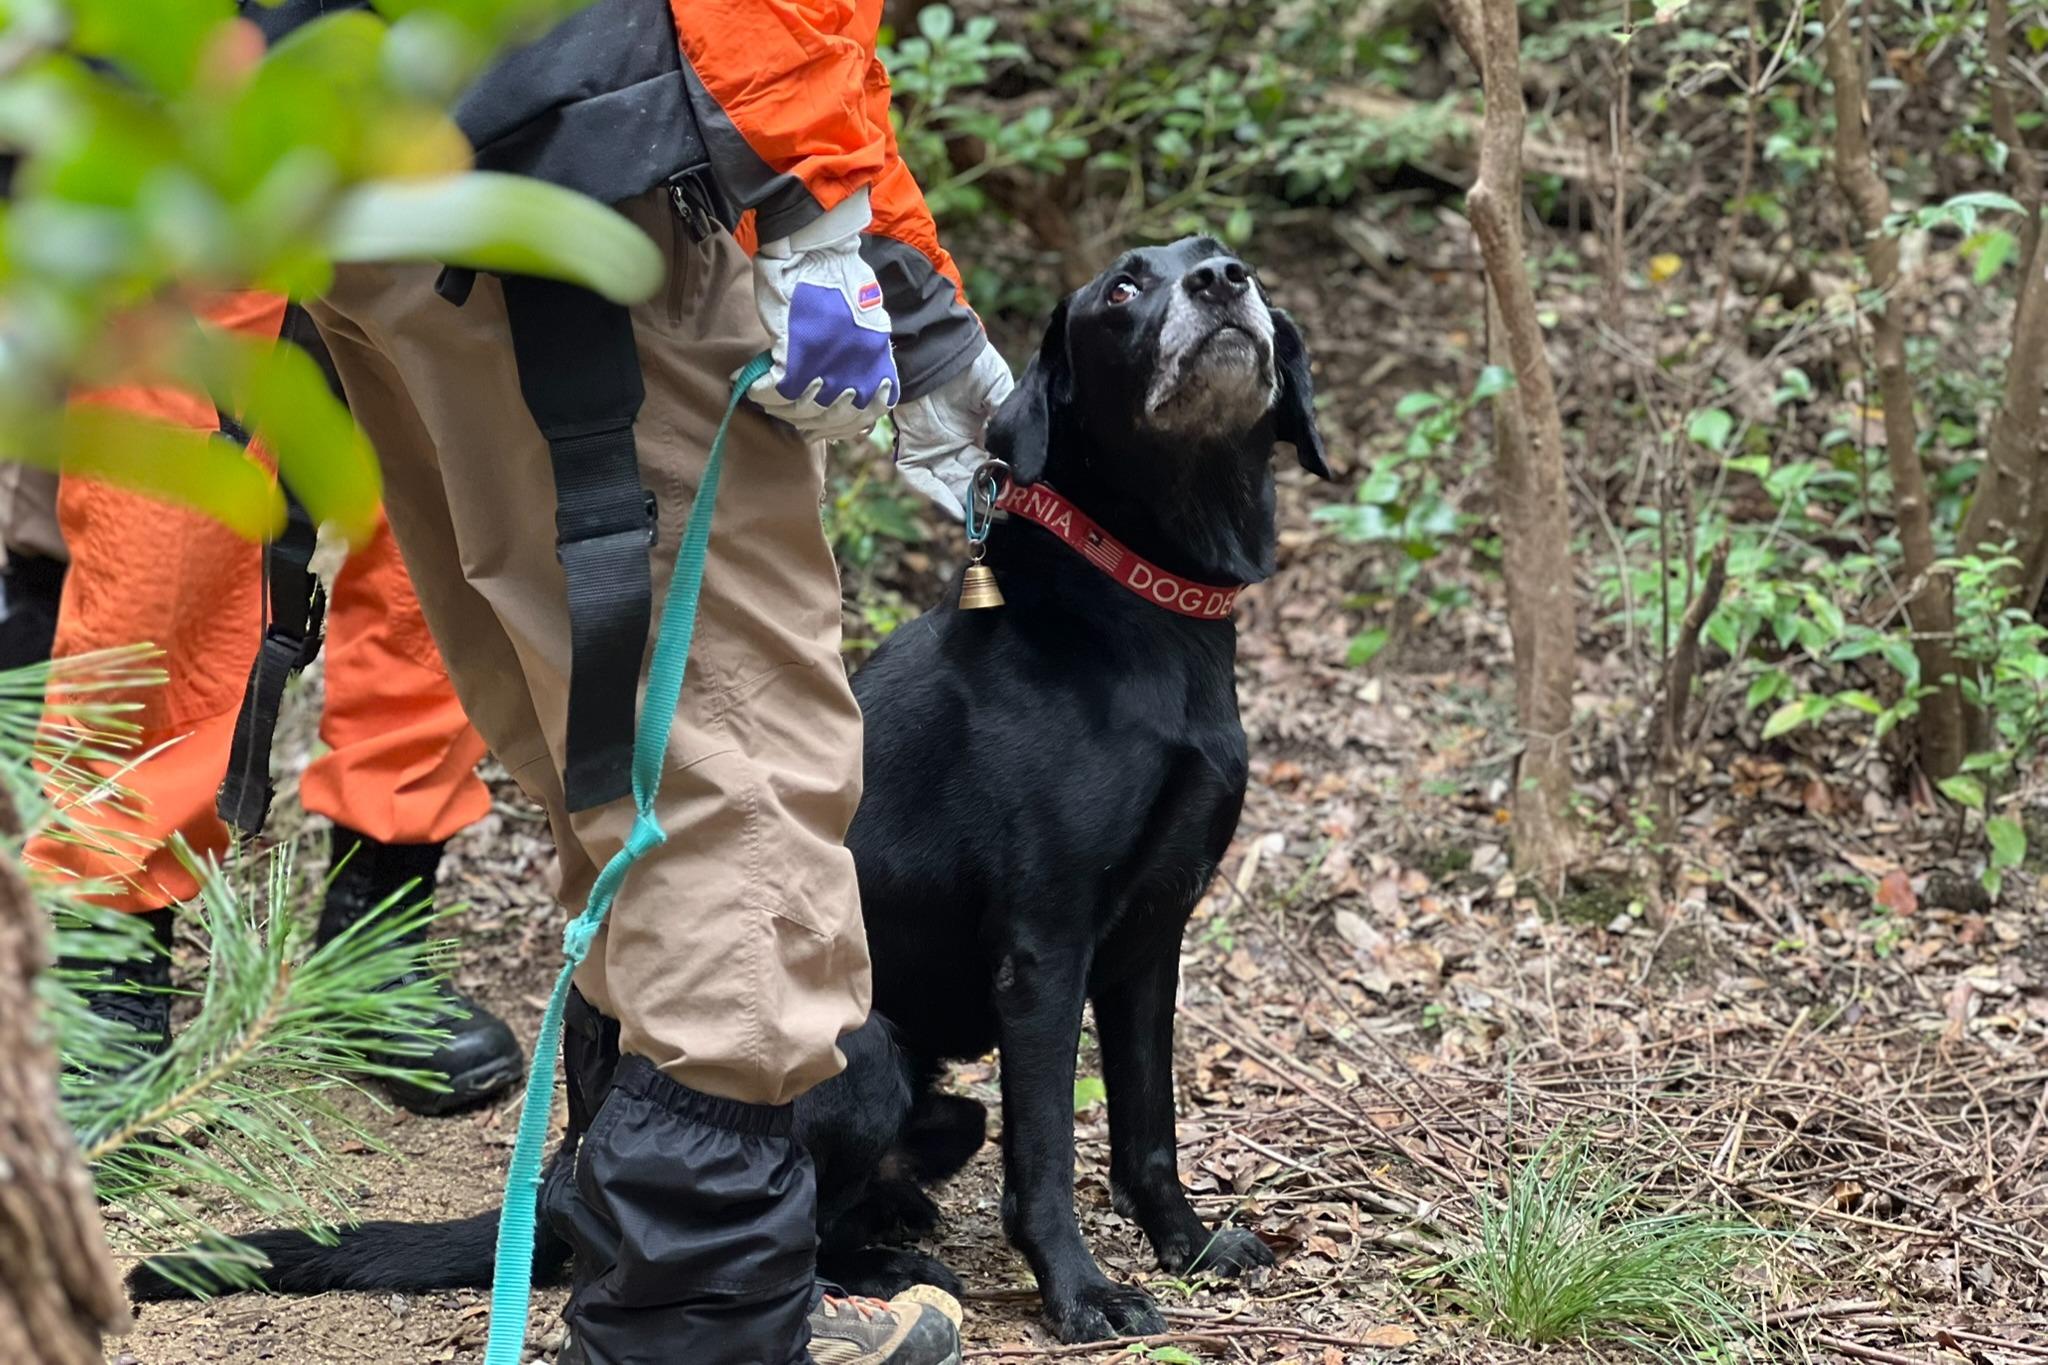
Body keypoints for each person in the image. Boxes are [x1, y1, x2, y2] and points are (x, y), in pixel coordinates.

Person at [244, 1, 1012, 1360]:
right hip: (588, 171)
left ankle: (704, 1288)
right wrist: (825, 211)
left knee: (607, 761)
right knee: (728, 778)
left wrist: (905, 284)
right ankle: (699, 1332)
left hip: (343, 145)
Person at [25, 289, 526, 1116]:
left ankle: (376, 936)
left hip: (442, 173)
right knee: (162, 525)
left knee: (433, 538)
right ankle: (107, 966)